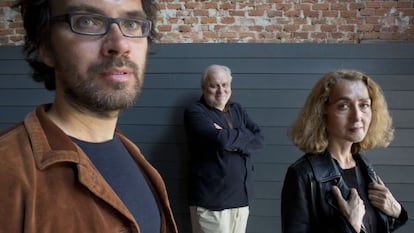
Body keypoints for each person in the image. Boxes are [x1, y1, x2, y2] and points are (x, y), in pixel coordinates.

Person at [0, 0, 178, 232]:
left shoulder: (136, 158)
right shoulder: (7, 173)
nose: (120, 44)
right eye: (87, 21)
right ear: (46, 47)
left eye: (132, 23)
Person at [281, 70, 408, 233]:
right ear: (322, 112)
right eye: (344, 106)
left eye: (364, 105)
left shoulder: (364, 165)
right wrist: (348, 225)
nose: (357, 117)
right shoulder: (303, 174)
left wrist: (396, 212)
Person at [183, 64, 264, 233]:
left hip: (241, 199)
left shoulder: (238, 110)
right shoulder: (195, 112)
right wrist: (242, 136)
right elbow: (221, 141)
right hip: (211, 203)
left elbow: (259, 139)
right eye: (214, 85)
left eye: (225, 85)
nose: (221, 90)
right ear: (204, 87)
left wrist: (229, 135)